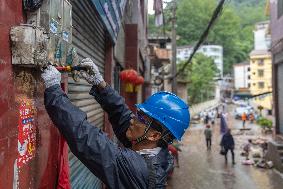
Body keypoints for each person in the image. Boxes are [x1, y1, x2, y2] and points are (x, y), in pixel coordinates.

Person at [41, 58, 191, 189]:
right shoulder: (156, 150)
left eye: (141, 118)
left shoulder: (137, 169)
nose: (133, 119)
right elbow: (123, 116)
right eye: (138, 114)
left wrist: (54, 89)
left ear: (155, 135)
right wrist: (100, 84)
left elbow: (87, 138)